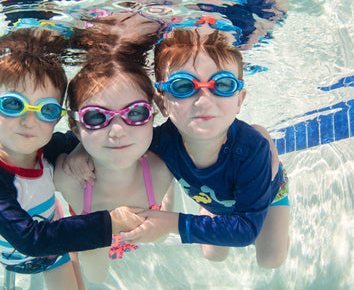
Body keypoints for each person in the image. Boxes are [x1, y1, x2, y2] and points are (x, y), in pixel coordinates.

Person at [0, 27, 143, 290]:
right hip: (31, 247)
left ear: (57, 118)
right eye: (12, 104)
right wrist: (108, 222)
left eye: (46, 110)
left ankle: (68, 243)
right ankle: (70, 245)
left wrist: (81, 151)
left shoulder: (44, 146)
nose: (28, 120)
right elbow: (30, 240)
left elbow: (86, 139)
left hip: (52, 237)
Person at [121, 27, 290, 268]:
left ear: (240, 100)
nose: (204, 100)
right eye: (182, 86)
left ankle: (279, 235)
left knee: (270, 259)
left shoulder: (252, 149)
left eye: (222, 85)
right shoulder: (160, 140)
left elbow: (245, 231)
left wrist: (171, 223)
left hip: (268, 190)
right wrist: (74, 156)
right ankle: (209, 204)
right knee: (214, 255)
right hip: (215, 198)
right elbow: (98, 142)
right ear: (162, 103)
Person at [53, 25, 174, 283]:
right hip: (92, 233)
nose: (118, 131)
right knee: (95, 278)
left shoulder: (165, 168)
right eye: (96, 117)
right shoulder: (66, 178)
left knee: (162, 236)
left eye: (136, 113)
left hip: (148, 219)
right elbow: (19, 174)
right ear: (74, 126)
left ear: (153, 115)